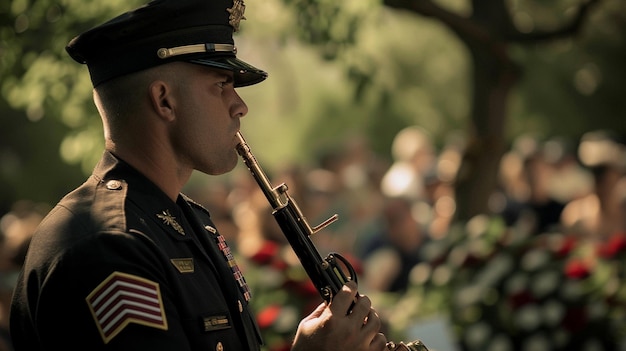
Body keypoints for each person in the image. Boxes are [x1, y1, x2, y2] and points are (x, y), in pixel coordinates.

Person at [9, 0, 388, 350]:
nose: (239, 106)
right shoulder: (108, 245)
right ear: (164, 100)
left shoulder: (187, 222)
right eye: (220, 86)